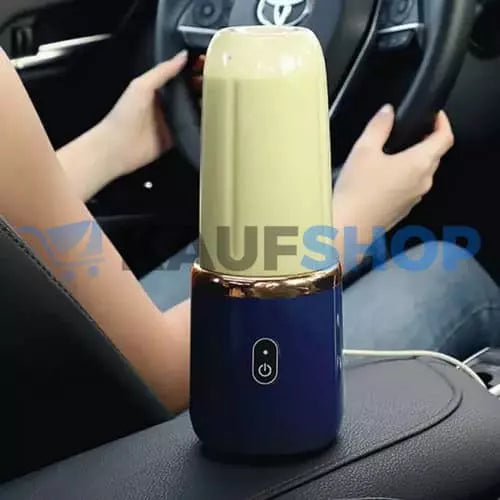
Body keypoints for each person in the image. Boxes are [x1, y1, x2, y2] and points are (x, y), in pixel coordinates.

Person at [1, 48, 499, 416]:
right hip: (98, 443)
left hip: (39, 386)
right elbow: (161, 379)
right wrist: (353, 220)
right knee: (446, 270)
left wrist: (110, 146)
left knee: (240, 243)